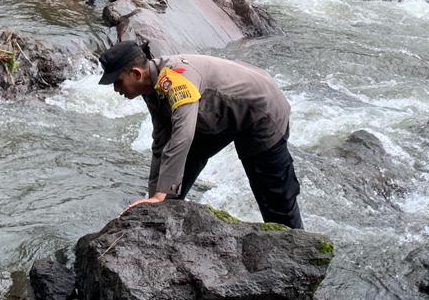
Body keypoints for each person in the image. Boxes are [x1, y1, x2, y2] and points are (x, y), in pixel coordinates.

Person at [96, 40, 303, 228]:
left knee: (274, 198)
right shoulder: (150, 88)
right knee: (169, 190)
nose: (115, 89)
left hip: (261, 112)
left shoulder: (175, 80)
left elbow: (183, 135)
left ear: (136, 74)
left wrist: (159, 194)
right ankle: (163, 215)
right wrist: (154, 198)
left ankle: (298, 252)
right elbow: (161, 141)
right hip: (215, 114)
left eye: (118, 81)